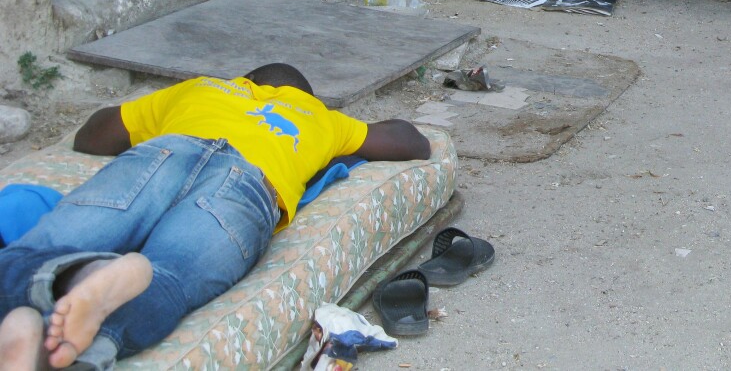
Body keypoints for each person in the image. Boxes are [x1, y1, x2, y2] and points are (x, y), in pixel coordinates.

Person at [0, 63, 431, 370]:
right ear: (306, 97)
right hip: (244, 183)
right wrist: (340, 142)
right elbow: (411, 142)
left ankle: (69, 281)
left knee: (43, 244)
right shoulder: (319, 119)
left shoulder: (200, 89)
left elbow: (93, 134)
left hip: (163, 154)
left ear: (243, 81)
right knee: (169, 279)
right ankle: (73, 331)